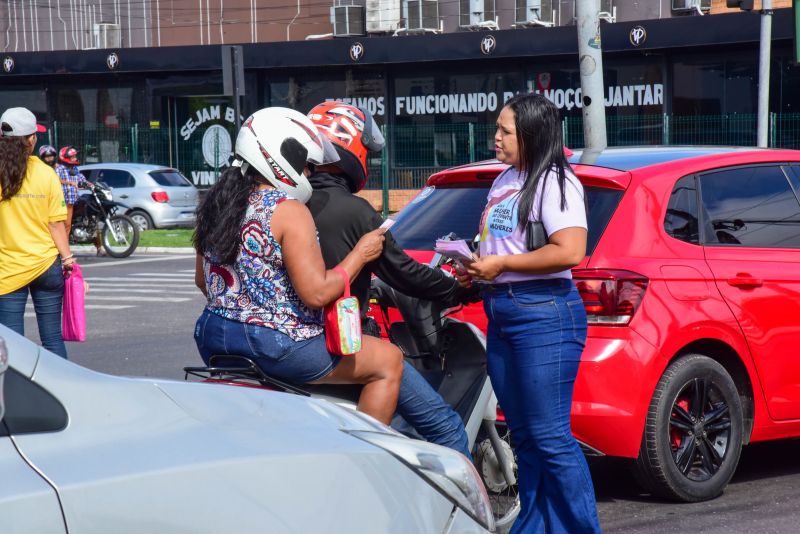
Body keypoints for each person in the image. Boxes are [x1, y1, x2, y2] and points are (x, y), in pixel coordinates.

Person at [193, 107, 403, 425]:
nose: (307, 174)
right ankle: (363, 460)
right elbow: (317, 294)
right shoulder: (288, 210)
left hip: (212, 336)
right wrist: (361, 254)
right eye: (305, 164)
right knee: (389, 361)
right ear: (279, 154)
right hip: (276, 345)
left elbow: (202, 281)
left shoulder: (216, 203)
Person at [458, 93, 601, 533]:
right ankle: (537, 526)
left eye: (505, 131)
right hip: (502, 312)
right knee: (524, 437)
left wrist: (501, 266)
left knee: (551, 436)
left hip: (544, 314)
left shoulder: (556, 181)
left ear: (533, 135)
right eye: (496, 128)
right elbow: (503, 245)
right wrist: (478, 267)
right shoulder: (503, 180)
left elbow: (570, 250)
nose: (494, 137)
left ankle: (581, 528)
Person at [306, 101, 471, 457]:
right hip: (341, 345)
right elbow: (403, 273)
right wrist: (456, 288)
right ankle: (466, 511)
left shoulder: (288, 205)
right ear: (351, 147)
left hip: (293, 340)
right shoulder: (355, 210)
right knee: (447, 429)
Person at [0, 107, 76, 359]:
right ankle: (62, 393)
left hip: (8, 270)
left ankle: (13, 397)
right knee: (52, 339)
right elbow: (57, 224)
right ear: (32, 139)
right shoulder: (47, 173)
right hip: (47, 265)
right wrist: (67, 259)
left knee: (12, 345)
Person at [55, 146, 101, 255]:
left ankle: (99, 247)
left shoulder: (75, 169)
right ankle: (64, 252)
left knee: (92, 219)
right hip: (65, 202)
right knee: (66, 225)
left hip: (76, 200)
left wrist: (90, 184)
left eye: (75, 156)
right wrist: (69, 183)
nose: (75, 158)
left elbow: (82, 179)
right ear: (65, 157)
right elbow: (55, 179)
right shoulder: (59, 169)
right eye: (72, 156)